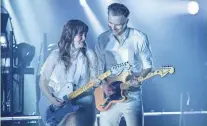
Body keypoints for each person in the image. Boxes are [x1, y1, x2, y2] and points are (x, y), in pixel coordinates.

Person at [95, 3, 153, 126]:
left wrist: (139, 79)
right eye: (110, 23)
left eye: (118, 25)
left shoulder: (139, 38)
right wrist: (104, 85)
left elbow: (147, 67)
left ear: (126, 21)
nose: (113, 28)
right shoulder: (102, 39)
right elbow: (98, 68)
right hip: (108, 97)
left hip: (131, 96)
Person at [38, 19, 97, 126]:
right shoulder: (55, 55)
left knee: (74, 119)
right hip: (58, 103)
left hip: (82, 103)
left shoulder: (89, 55)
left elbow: (94, 79)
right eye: (81, 34)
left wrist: (98, 82)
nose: (84, 38)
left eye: (85, 34)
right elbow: (43, 80)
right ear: (70, 36)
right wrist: (51, 99)